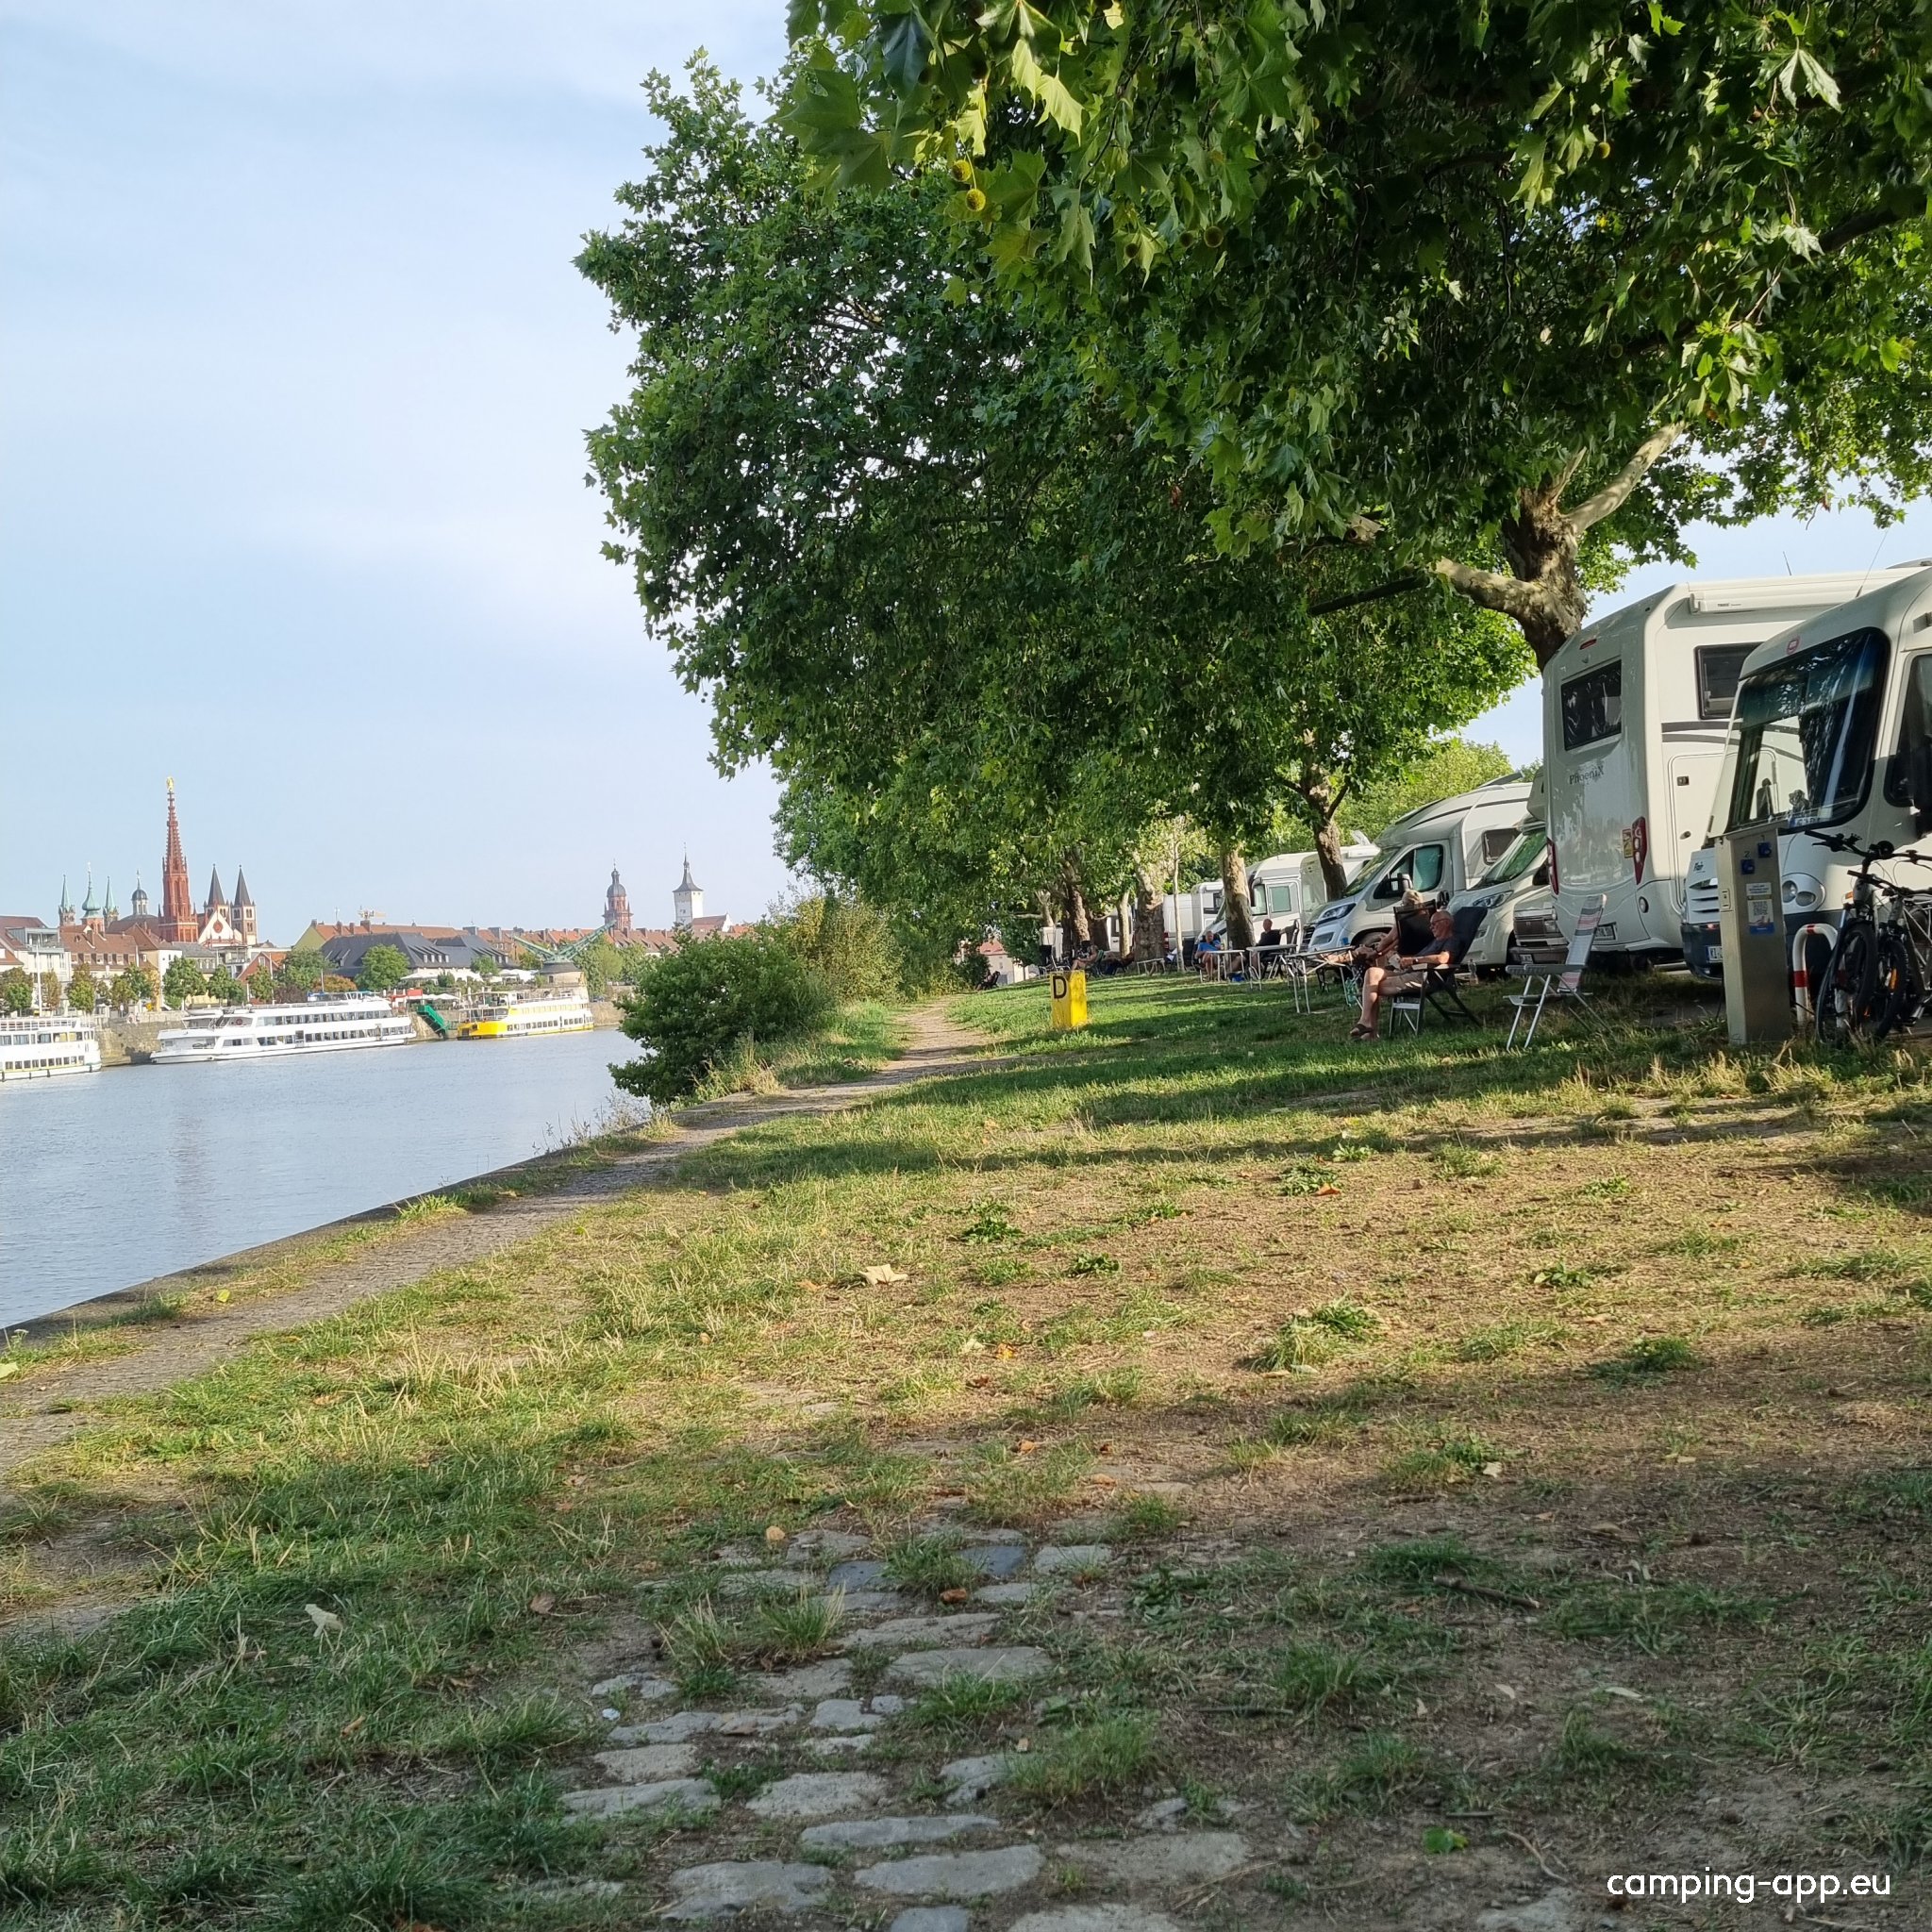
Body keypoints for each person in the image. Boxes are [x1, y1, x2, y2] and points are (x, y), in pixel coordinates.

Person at [1352, 901, 1457, 1040]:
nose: (1431, 927)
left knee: (1371, 987)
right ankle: (1365, 1022)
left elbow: (1443, 958)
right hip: (1409, 972)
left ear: (1446, 923)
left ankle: (1369, 1031)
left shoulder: (1451, 940)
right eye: (1430, 924)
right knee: (1372, 973)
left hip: (1424, 976)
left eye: (1434, 924)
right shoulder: (1434, 941)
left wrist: (1414, 960)